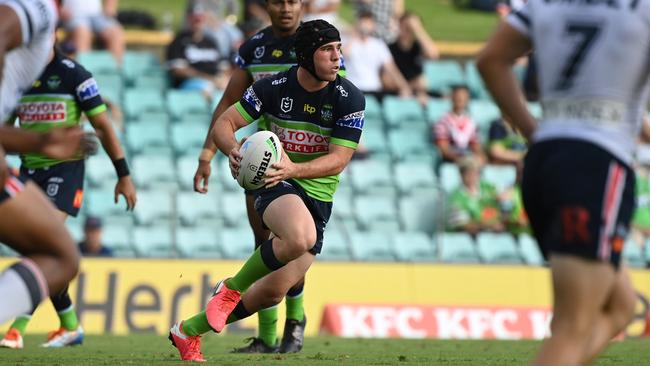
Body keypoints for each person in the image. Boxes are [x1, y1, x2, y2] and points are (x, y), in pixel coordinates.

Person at [170, 20, 365, 362]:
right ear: (306, 55)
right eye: (328, 50)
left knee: (273, 293)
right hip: (274, 181)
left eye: (339, 49)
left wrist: (296, 167)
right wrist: (233, 150)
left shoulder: (350, 98)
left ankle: (187, 331)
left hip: (317, 195)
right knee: (299, 236)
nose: (338, 58)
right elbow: (225, 124)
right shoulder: (272, 87)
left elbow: (338, 160)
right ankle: (230, 289)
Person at [477, 2, 645, 364]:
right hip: (597, 163)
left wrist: (533, 132)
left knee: (620, 306)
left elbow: (490, 60)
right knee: (573, 326)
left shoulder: (546, 3)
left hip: (545, 159)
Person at [193, 0, 313, 354]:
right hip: (263, 159)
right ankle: (266, 336)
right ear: (267, 6)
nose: (287, 8)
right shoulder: (254, 49)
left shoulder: (315, 47)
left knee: (292, 242)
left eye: (294, 1)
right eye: (279, 1)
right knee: (264, 245)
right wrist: (207, 153)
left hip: (302, 160)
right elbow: (229, 102)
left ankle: (295, 322)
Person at [0, 45, 136, 349]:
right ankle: (70, 326)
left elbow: (102, 125)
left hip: (65, 171)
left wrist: (123, 174)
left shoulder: (74, 75)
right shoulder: (17, 77)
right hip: (29, 171)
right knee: (48, 253)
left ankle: (15, 330)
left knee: (38, 244)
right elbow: (4, 131)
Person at [0, 0, 90, 330]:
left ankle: (63, 327)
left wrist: (40, 142)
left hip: (37, 168)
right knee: (59, 256)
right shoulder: (37, 7)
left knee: (60, 256)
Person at [343, 11, 412, 99]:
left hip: (374, 89)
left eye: (368, 22)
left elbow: (391, 68)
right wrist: (354, 34)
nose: (365, 25)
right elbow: (345, 54)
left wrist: (404, 87)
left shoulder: (378, 45)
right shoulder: (347, 41)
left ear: (373, 25)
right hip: (353, 89)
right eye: (363, 21)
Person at [166, 6, 228, 100]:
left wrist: (223, 79)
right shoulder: (178, 42)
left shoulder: (211, 42)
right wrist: (209, 79)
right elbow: (179, 71)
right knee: (207, 89)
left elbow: (224, 67)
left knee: (230, 90)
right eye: (195, 18)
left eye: (201, 18)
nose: (198, 21)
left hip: (214, 82)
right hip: (188, 84)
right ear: (188, 19)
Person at [388, 12, 438, 106]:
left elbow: (433, 54)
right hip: (397, 89)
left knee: (422, 82)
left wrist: (417, 29)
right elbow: (388, 78)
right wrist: (405, 87)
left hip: (417, 89)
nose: (408, 30)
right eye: (405, 26)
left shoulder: (418, 47)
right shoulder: (390, 48)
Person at [446, 156, 503, 235]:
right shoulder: (456, 197)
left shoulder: (488, 187)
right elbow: (463, 226)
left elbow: (503, 204)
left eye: (475, 172)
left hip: (493, 234)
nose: (472, 176)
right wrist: (488, 225)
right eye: (468, 172)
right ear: (461, 174)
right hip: (464, 238)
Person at [60, 0, 125, 64]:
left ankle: (116, 71)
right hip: (73, 14)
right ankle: (83, 71)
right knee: (82, 33)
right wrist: (59, 8)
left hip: (98, 14)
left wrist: (110, 6)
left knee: (115, 32)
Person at [433, 85, 483, 164]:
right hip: (451, 161)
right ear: (452, 98)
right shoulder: (443, 121)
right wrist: (461, 160)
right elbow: (443, 148)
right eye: (458, 96)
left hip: (468, 160)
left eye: (463, 97)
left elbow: (475, 145)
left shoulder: (471, 122)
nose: (460, 99)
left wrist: (480, 157)